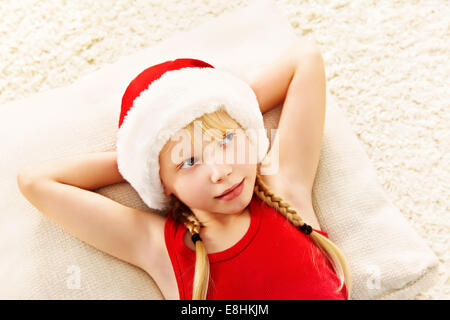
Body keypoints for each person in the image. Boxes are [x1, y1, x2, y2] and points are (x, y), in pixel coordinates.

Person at [17, 40, 351, 300]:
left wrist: (232, 109)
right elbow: (36, 182)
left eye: (226, 141)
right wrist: (140, 160)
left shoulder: (286, 189)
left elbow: (305, 59)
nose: (220, 171)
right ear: (164, 184)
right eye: (189, 162)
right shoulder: (162, 248)